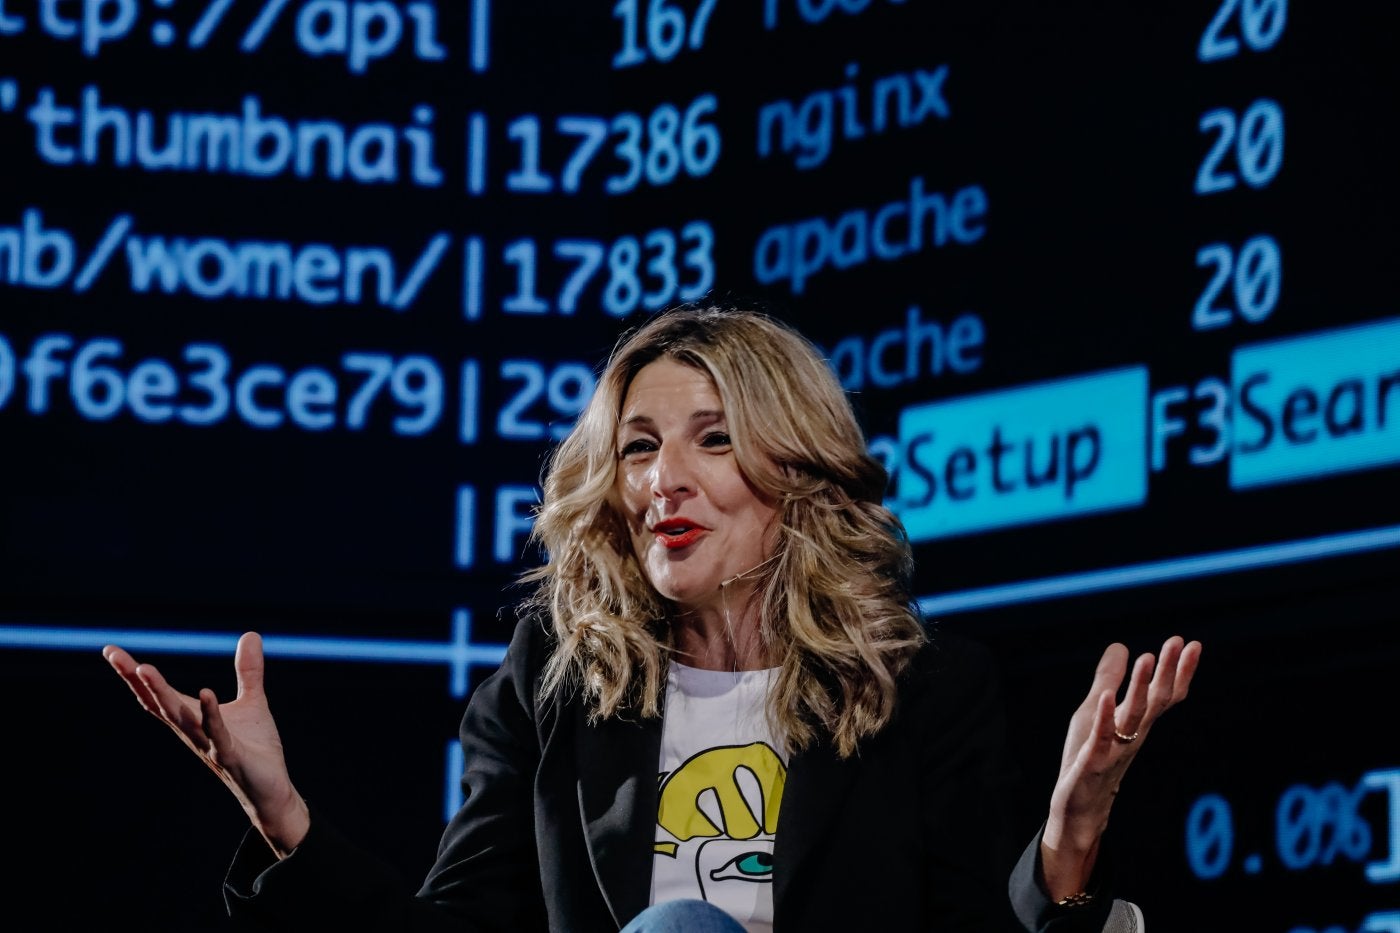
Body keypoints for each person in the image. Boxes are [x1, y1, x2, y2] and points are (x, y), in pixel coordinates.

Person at [104, 305, 1200, 932]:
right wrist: (285, 820)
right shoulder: (553, 684)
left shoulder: (922, 689)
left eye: (711, 439)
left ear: (796, 470)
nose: (661, 479)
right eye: (637, 447)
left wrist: (1068, 838)